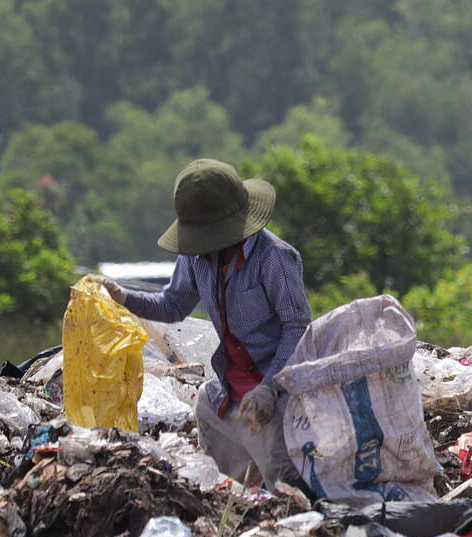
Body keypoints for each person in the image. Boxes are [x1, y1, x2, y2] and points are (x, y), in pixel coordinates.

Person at [88, 158, 311, 487]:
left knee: (284, 490)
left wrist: (269, 388)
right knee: (207, 407)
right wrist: (124, 297)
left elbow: (298, 327)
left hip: (276, 392)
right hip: (232, 390)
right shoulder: (197, 256)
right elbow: (173, 304)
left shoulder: (273, 257)